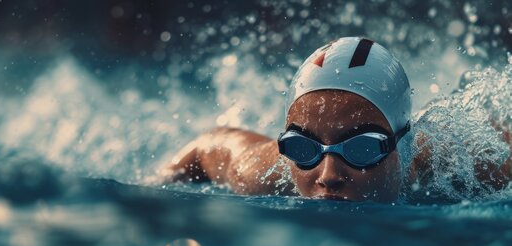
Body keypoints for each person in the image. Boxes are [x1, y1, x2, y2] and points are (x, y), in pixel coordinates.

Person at [159, 37, 511, 202]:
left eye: (362, 148)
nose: (328, 176)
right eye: (303, 146)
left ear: (402, 145)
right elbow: (208, 145)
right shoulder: (267, 170)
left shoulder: (460, 164)